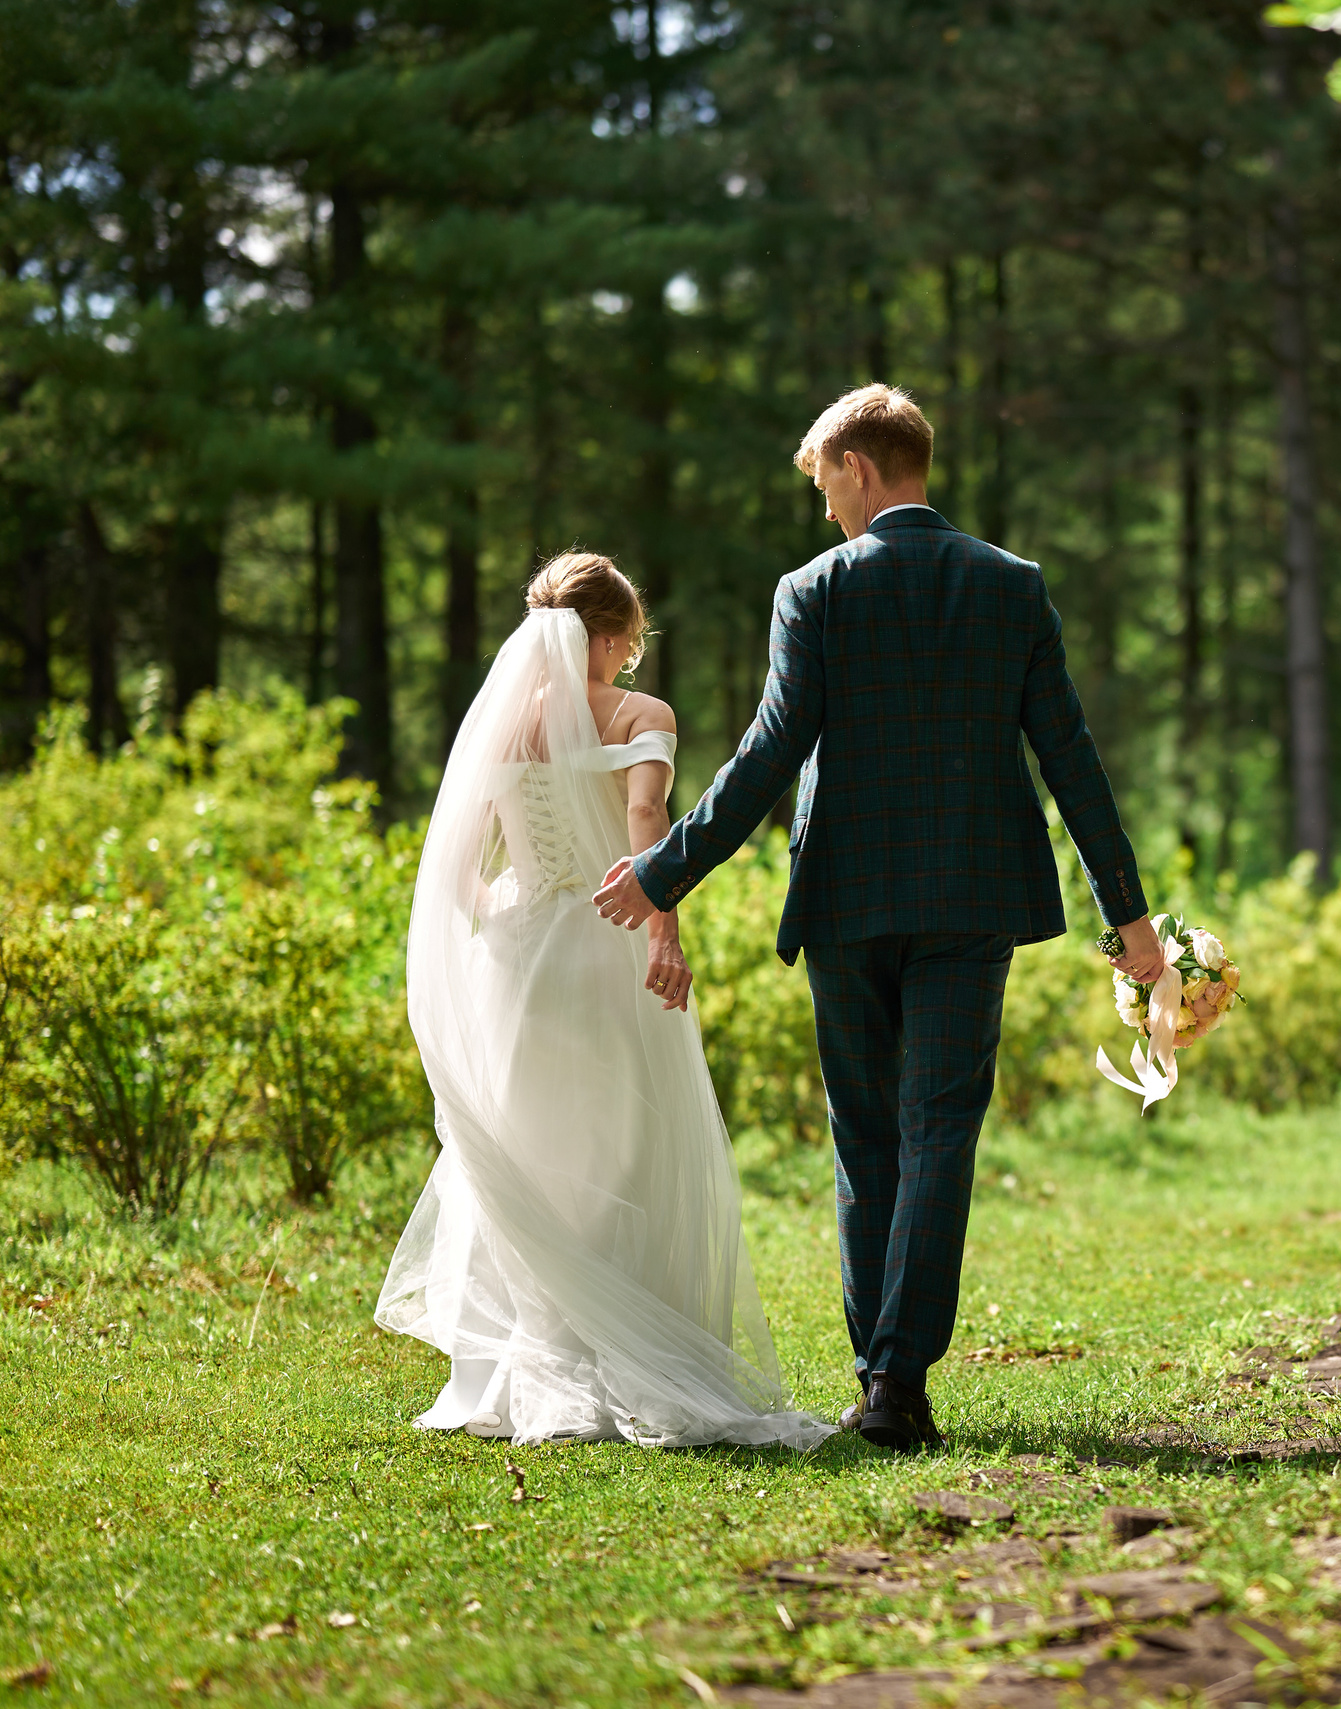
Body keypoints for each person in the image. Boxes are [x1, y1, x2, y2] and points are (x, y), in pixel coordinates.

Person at [592, 384, 1167, 1452]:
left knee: (866, 1137)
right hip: (972, 899)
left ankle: (881, 1374)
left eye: (823, 484)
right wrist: (1126, 917)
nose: (823, 511)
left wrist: (668, 869)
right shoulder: (1012, 585)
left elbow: (768, 752)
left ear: (858, 463)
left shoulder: (811, 590)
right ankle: (899, 1380)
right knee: (939, 1128)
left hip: (849, 900)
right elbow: (1071, 760)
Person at [376, 554, 834, 1451]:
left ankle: (528, 1370)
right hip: (607, 949)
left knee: (527, 1152)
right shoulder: (640, 713)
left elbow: (458, 862)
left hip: (517, 962)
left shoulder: (500, 725)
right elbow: (644, 827)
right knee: (624, 1154)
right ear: (619, 636)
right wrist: (662, 934)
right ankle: (608, 1362)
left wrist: (505, 914)